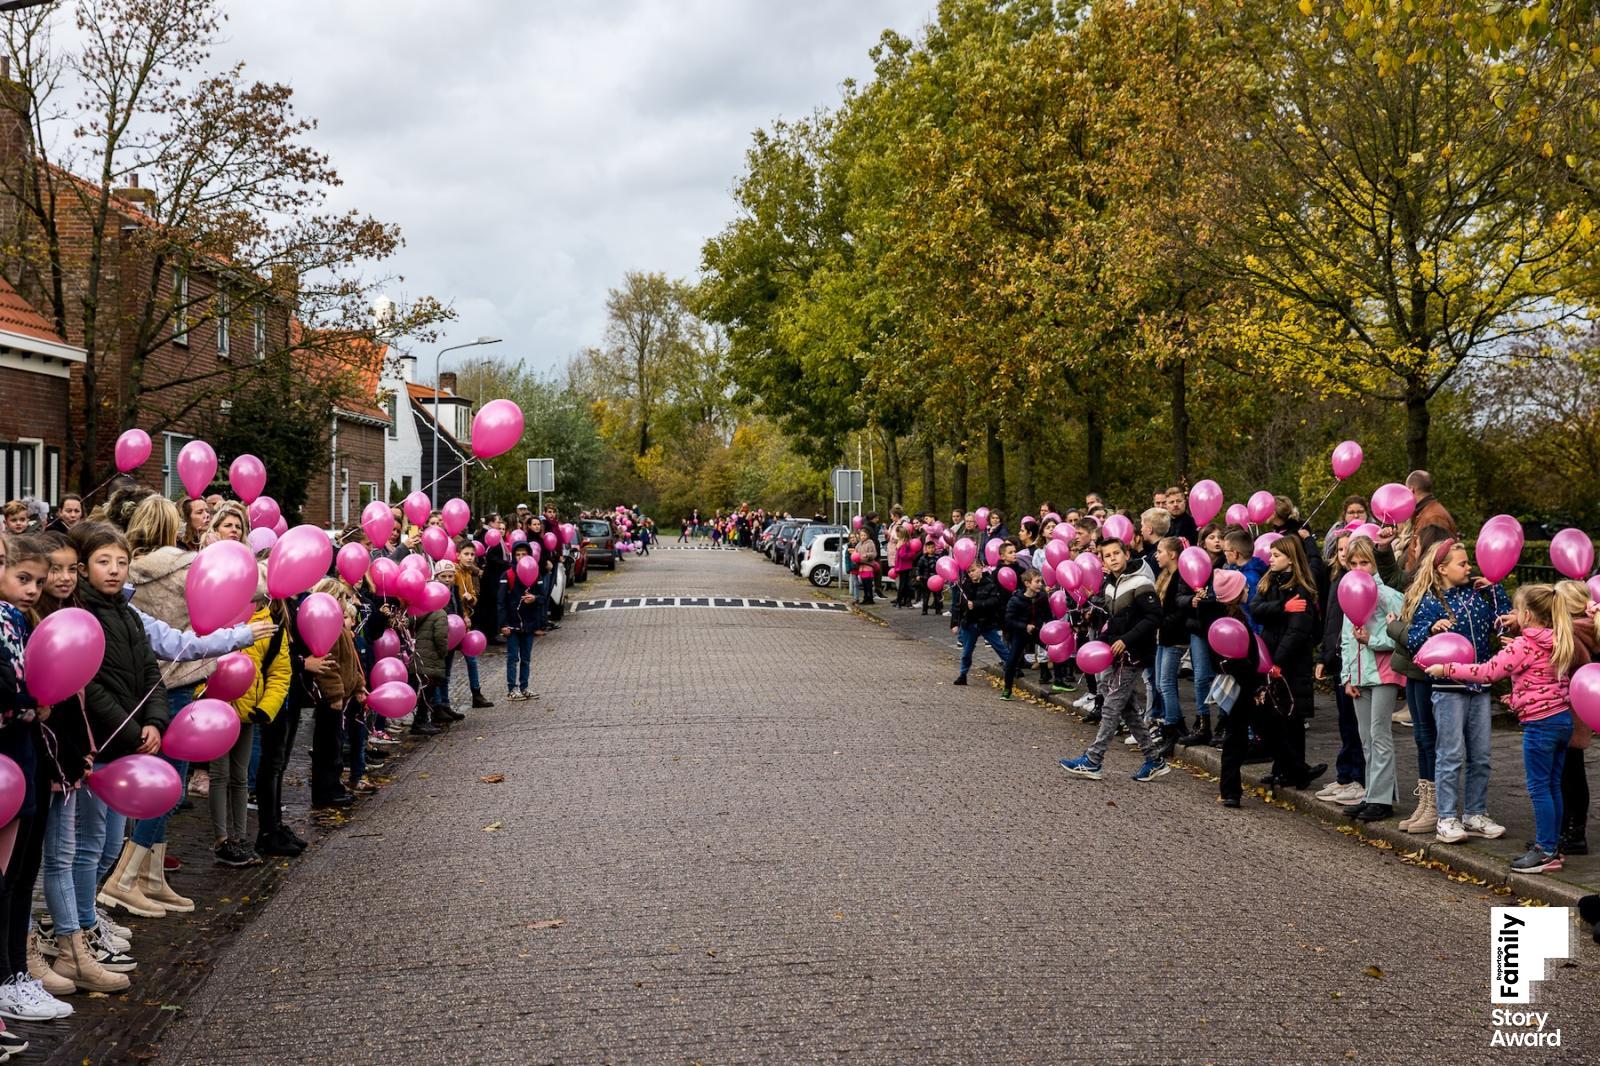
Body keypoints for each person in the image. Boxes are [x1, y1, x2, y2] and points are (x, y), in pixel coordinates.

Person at [47, 522, 167, 992]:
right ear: (84, 567)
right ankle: (75, 928)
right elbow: (90, 686)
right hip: (99, 745)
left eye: (121, 562)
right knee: (88, 845)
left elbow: (151, 672)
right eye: (103, 562)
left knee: (109, 844)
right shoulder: (81, 615)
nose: (114, 570)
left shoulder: (129, 614)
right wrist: (132, 730)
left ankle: (85, 916)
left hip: (125, 747)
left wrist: (155, 720)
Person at [1426, 584, 1579, 873]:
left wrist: (1446, 669)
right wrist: (1518, 695)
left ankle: (1545, 851)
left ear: (1527, 615)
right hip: (1561, 720)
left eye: (1517, 610)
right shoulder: (1560, 639)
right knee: (1553, 785)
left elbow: (1487, 672)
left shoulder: (1523, 645)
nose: (1514, 615)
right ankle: (1553, 846)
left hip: (1539, 725)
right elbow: (1542, 678)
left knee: (1539, 788)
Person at [1404, 539, 1510, 844]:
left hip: (1480, 685)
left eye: (1468, 562)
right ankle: (1447, 817)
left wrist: (1495, 590)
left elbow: (1502, 624)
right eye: (1462, 563)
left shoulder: (1477, 596)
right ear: (1442, 568)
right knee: (1450, 753)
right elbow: (1413, 642)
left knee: (1481, 755)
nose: (1469, 568)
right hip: (1448, 688)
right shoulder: (1429, 601)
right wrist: (1430, 630)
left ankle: (1475, 813)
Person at [1058, 538, 1171, 783]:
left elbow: (1154, 617)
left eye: (1116, 553)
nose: (1113, 558)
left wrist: (1126, 640)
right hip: (1116, 653)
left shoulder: (1141, 582)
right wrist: (1102, 640)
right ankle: (1154, 760)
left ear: (1126, 554)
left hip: (1134, 654)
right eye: (1107, 555)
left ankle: (1093, 760)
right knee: (1128, 709)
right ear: (1103, 561)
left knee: (1111, 705)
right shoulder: (1109, 586)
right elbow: (1114, 621)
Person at [211, 568, 290, 866]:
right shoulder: (219, 618)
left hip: (247, 712)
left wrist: (266, 707)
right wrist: (202, 697)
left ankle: (241, 837)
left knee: (240, 776)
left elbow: (280, 672)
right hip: (216, 711)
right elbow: (199, 660)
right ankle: (221, 839)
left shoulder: (271, 626)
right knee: (220, 775)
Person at [1249, 534, 1327, 792]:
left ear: (1291, 559)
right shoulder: (1269, 581)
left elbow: (1297, 631)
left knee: (1291, 717)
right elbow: (1256, 608)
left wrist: (1278, 661)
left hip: (1291, 662)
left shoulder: (1301, 588)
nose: (1270, 560)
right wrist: (1282, 607)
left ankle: (1295, 770)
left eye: (1276, 556)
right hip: (1269, 655)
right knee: (1274, 715)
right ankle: (1286, 768)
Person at [1336, 537, 1406, 822]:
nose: (1358, 568)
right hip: (1359, 674)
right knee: (1365, 737)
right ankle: (1374, 793)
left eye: (1364, 562)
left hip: (1384, 671)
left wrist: (1373, 640)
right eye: (1353, 563)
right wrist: (1347, 676)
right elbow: (1347, 640)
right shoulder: (1349, 591)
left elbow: (1403, 636)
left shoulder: (1389, 595)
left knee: (1380, 735)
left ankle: (1381, 799)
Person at [1209, 570, 1265, 807]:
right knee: (1236, 738)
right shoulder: (1231, 622)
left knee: (1238, 736)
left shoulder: (1231, 617)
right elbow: (1239, 658)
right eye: (1244, 587)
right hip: (1240, 684)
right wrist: (1255, 684)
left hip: (1238, 683)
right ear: (1234, 593)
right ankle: (1230, 790)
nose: (1248, 589)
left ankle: (1230, 789)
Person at [949, 559, 1009, 686]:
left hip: (987, 623)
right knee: (966, 652)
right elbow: (958, 606)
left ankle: (1013, 668)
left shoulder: (990, 584)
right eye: (969, 572)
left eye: (973, 570)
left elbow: (995, 602)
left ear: (981, 568)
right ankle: (963, 675)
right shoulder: (965, 585)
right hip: (969, 623)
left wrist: (976, 604)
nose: (971, 574)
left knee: (1000, 647)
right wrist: (954, 623)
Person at [500, 541, 542, 702]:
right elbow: (501, 602)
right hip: (512, 624)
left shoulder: (535, 574)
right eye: (517, 554)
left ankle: (524, 686)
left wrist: (535, 598)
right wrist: (503, 624)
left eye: (524, 554)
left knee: (526, 658)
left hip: (528, 624)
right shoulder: (507, 575)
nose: (521, 557)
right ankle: (512, 688)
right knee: (512, 658)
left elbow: (543, 596)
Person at [1000, 569, 1046, 701]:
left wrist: (1045, 624)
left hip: (1038, 631)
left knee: (1054, 650)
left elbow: (1047, 614)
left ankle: (1059, 680)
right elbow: (1009, 620)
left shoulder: (1042, 597)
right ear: (1027, 583)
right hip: (1021, 633)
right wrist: (1025, 626)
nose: (1040, 584)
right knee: (1012, 660)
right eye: (1037, 581)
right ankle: (1007, 689)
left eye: (1041, 581)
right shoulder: (1016, 600)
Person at [1399, 470, 1456, 573]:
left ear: (1411, 490)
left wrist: (1411, 577)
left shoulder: (1433, 517)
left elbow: (1430, 557)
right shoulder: (1425, 512)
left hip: (1425, 577)